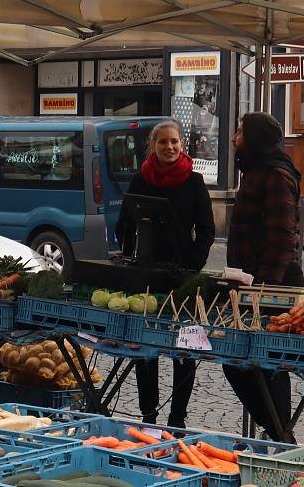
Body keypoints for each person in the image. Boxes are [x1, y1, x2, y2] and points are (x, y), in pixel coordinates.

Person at [115, 119, 215, 427]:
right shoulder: (140, 180)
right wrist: (130, 253)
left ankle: (177, 417)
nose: (169, 147)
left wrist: (193, 266)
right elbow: (124, 223)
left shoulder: (194, 181)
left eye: (174, 141)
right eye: (163, 142)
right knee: (145, 348)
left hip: (182, 277)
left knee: (184, 346)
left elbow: (207, 230)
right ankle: (148, 414)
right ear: (152, 146)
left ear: (182, 145)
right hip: (145, 275)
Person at [222, 111, 304, 441]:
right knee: (244, 363)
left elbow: (283, 238)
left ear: (254, 138)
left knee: (261, 365)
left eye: (240, 132)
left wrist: (261, 290)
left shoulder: (274, 175)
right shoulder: (257, 171)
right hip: (252, 286)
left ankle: (281, 437)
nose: (234, 138)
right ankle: (280, 435)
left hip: (273, 288)